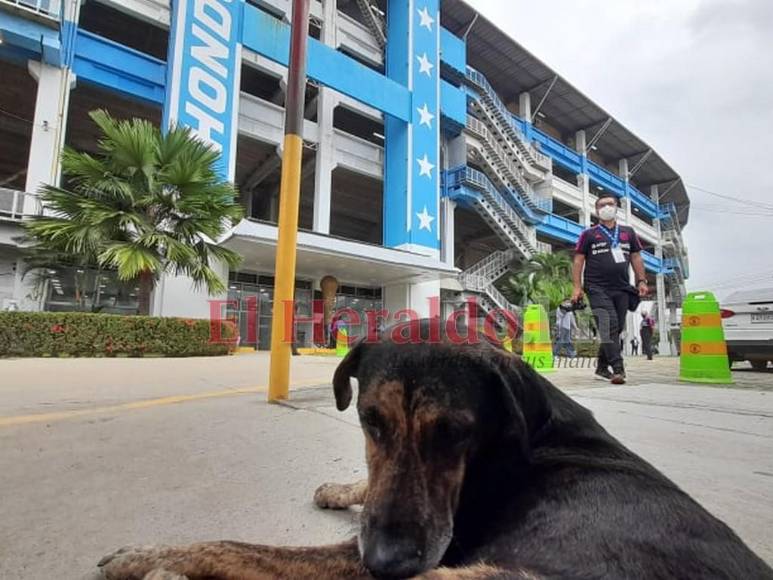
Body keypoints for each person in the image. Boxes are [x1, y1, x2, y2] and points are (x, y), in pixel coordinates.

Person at [572, 195, 649, 384]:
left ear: (616, 208)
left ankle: (601, 367)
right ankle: (618, 369)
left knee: (615, 328)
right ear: (596, 210)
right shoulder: (589, 234)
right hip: (596, 287)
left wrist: (641, 281)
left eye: (610, 204)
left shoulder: (628, 232)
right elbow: (578, 260)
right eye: (601, 205)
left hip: (622, 288)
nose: (606, 207)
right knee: (609, 324)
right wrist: (577, 287)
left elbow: (636, 257)